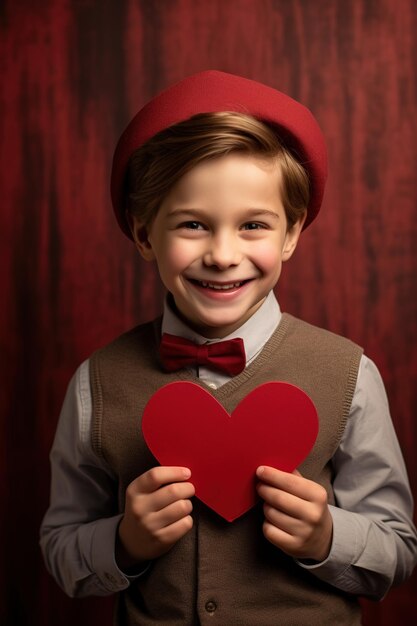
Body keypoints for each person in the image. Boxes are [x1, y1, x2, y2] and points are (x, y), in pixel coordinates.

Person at [40, 70, 417, 625]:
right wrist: (124, 541)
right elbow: (61, 550)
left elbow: (399, 550)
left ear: (291, 233)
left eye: (253, 226)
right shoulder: (96, 383)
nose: (222, 254)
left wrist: (326, 535)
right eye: (193, 224)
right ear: (145, 234)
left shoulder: (349, 374)